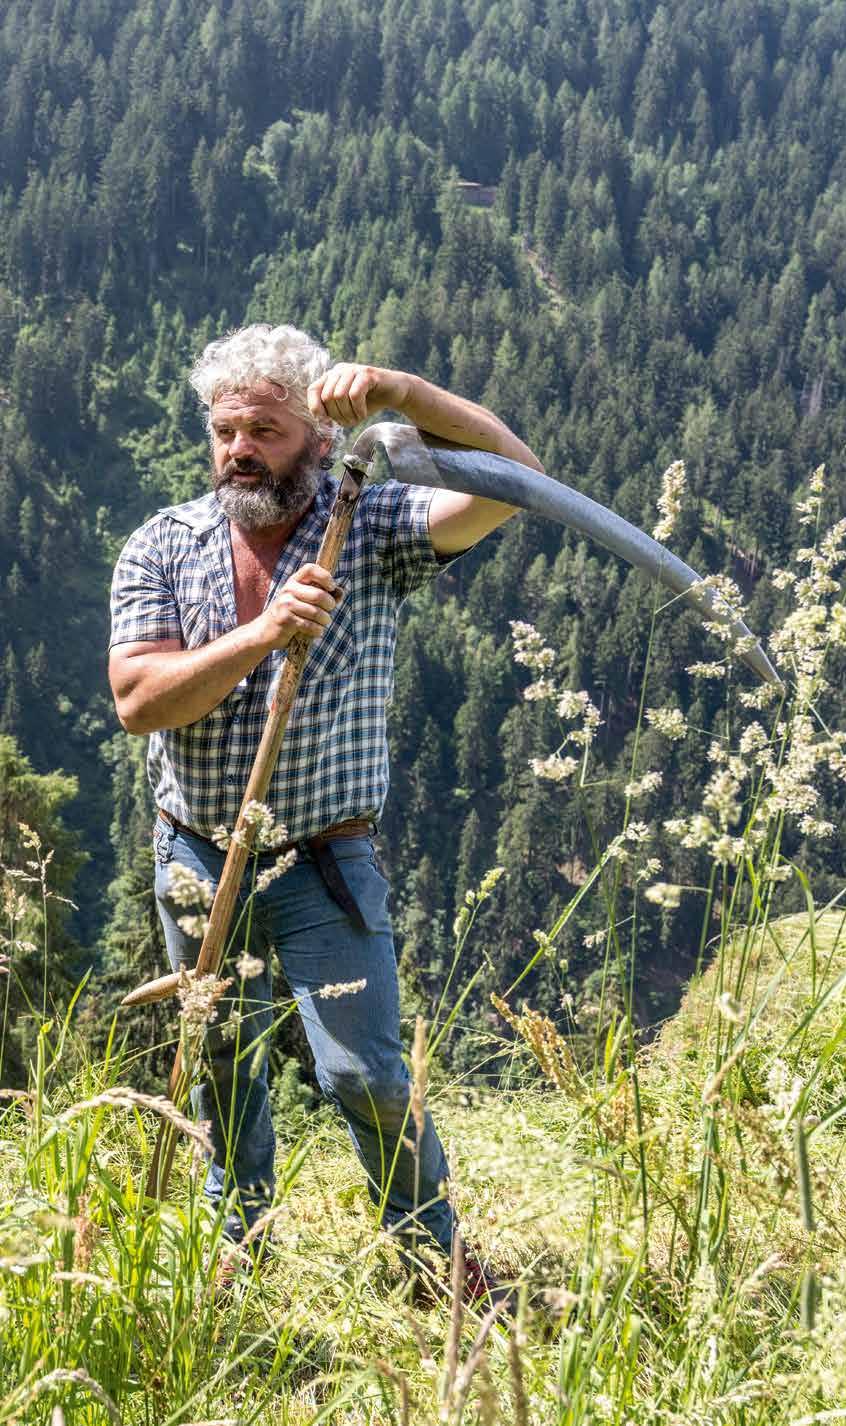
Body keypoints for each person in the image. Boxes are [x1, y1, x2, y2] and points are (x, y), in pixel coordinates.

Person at [108, 323, 542, 1302]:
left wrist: (404, 392)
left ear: (317, 436)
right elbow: (139, 700)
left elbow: (516, 482)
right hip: (198, 857)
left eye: (263, 430)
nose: (239, 450)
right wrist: (265, 633)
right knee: (223, 1068)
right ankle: (236, 1251)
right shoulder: (164, 545)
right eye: (225, 431)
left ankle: (433, 1262)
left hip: (322, 863)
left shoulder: (372, 524)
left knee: (366, 1076)